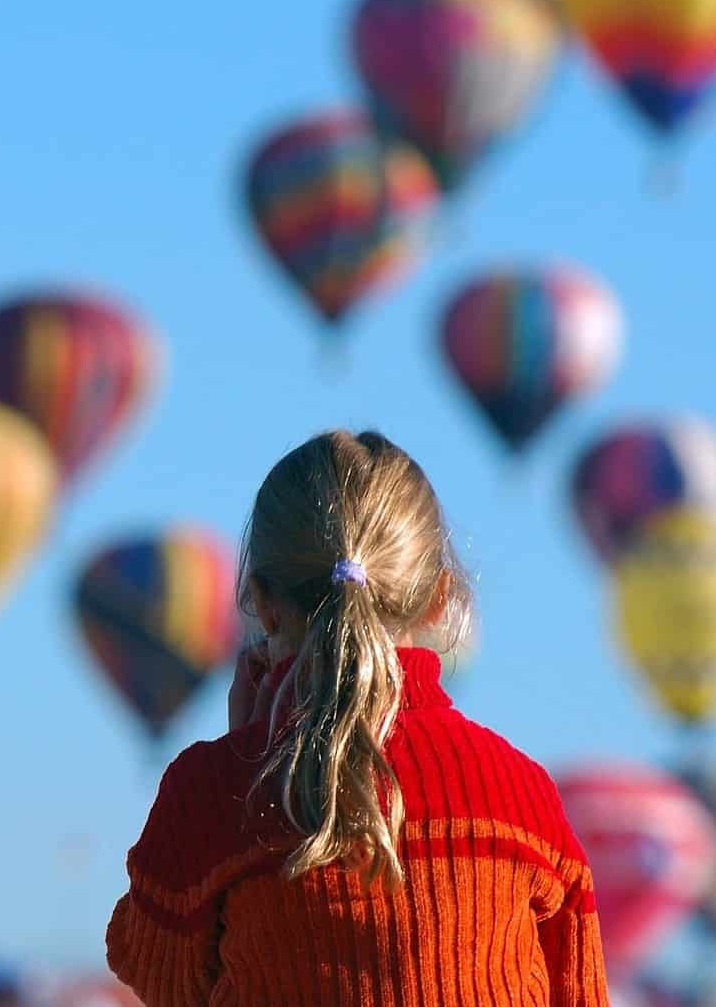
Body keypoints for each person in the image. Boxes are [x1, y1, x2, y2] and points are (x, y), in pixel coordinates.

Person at [106, 430, 609, 1006]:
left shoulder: (211, 794)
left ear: (263, 601)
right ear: (441, 597)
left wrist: (243, 755)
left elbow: (156, 974)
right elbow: (581, 992)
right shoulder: (523, 799)